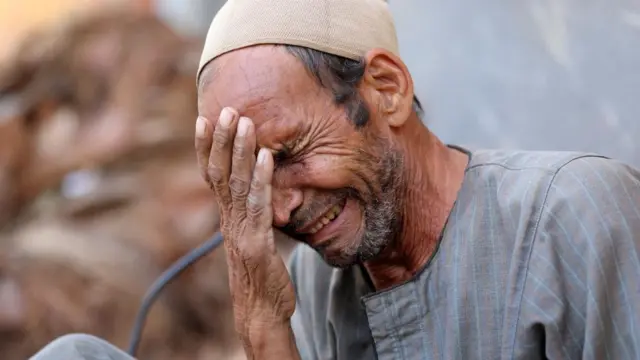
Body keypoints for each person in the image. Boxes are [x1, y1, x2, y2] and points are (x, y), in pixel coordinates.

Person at [32, 0, 640, 359]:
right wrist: (264, 326)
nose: (280, 208)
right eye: (255, 175)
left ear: (387, 89)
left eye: (289, 152)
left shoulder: (574, 213)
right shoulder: (315, 282)